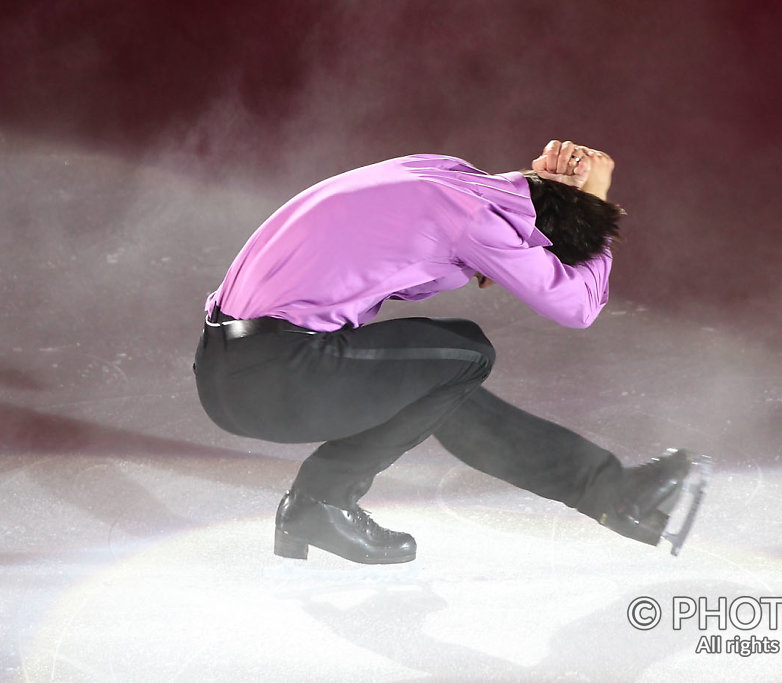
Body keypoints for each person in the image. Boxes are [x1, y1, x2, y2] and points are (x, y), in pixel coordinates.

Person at [193, 140, 704, 564]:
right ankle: (321, 499)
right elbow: (578, 306)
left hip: (227, 363)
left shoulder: (442, 173)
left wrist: (554, 192)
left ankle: (615, 497)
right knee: (467, 352)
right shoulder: (479, 219)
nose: (490, 279)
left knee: (437, 385)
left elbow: (501, 211)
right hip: (273, 375)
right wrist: (595, 199)